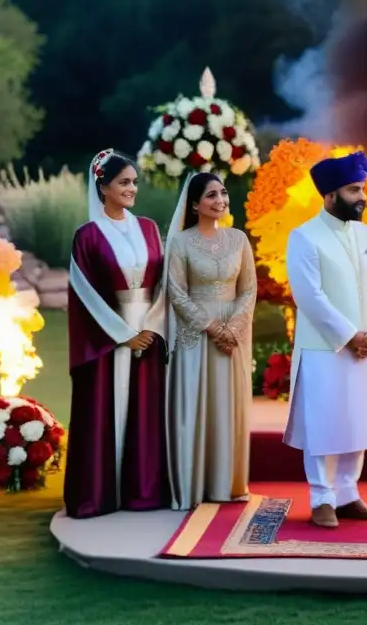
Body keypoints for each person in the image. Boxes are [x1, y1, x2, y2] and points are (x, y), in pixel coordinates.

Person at [282, 151, 367, 528]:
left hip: (364, 349)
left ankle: (348, 494)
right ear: (330, 196)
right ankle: (321, 498)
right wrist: (350, 336)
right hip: (323, 348)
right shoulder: (304, 237)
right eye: (353, 190)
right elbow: (309, 296)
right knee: (323, 423)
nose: (362, 196)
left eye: (362, 188)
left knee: (356, 422)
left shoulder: (366, 233)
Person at [65, 149, 170, 518]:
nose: (132, 189)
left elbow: (164, 286)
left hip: (149, 333)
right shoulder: (87, 236)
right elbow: (84, 292)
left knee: (147, 411)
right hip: (109, 338)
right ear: (103, 186)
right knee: (104, 412)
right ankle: (98, 495)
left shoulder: (149, 228)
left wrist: (152, 327)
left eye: (134, 182)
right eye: (124, 182)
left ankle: (143, 491)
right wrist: (122, 334)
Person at [166, 173, 257, 510]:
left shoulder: (239, 240)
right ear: (194, 204)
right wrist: (211, 328)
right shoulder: (180, 243)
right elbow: (176, 292)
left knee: (229, 406)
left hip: (234, 338)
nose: (220, 200)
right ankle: (195, 485)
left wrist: (233, 329)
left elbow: (249, 289)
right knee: (198, 404)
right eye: (211, 195)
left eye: (222, 193)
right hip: (197, 336)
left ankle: (229, 484)